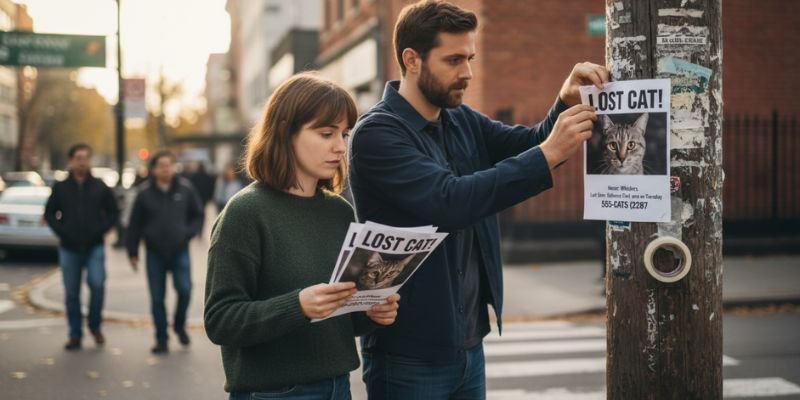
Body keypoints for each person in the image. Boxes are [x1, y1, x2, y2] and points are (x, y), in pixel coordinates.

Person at [347, 1, 609, 398]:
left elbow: (528, 143)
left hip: (469, 342)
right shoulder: (377, 134)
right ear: (411, 59)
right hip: (408, 354)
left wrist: (564, 100)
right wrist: (549, 153)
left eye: (469, 58)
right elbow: (448, 202)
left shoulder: (461, 119)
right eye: (454, 60)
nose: (467, 72)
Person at [204, 72, 400, 399]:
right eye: (326, 133)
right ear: (286, 132)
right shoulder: (246, 212)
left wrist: (371, 314)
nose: (340, 146)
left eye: (344, 133)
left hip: (339, 386)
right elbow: (220, 320)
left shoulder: (339, 211)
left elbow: (340, 319)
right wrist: (297, 306)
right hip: (274, 392)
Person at [126, 150, 204, 354]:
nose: (165, 169)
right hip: (154, 254)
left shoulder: (186, 189)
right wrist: (132, 251)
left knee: (185, 290)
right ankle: (161, 338)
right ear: (153, 170)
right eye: (161, 165)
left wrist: (188, 233)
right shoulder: (144, 193)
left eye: (169, 165)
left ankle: (179, 325)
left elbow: (198, 214)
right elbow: (134, 224)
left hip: (180, 251)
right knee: (157, 298)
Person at [44, 143, 120, 351]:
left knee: (97, 285)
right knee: (71, 293)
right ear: (71, 161)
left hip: (95, 246)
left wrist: (100, 230)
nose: (82, 162)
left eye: (86, 158)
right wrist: (63, 232)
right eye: (78, 158)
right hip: (69, 248)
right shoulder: (61, 187)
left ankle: (95, 326)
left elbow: (113, 212)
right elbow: (49, 213)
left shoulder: (100, 186)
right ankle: (74, 334)